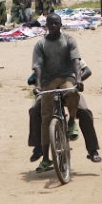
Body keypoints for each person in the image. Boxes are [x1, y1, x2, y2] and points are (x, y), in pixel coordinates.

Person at [31, 14, 82, 172]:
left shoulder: (69, 40)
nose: (53, 26)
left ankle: (72, 121)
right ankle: (45, 158)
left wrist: (78, 80)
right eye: (50, 24)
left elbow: (76, 62)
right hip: (48, 81)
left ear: (61, 24)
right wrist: (38, 86)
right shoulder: (41, 44)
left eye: (56, 23)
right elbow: (37, 67)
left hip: (67, 77)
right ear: (46, 25)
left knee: (73, 94)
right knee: (45, 117)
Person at [27, 61, 101, 164]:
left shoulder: (69, 53)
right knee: (35, 111)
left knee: (85, 112)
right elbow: (35, 75)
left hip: (68, 89)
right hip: (48, 90)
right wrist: (38, 86)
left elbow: (87, 70)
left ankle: (93, 150)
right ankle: (38, 147)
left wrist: (77, 82)